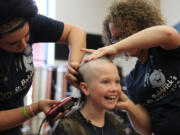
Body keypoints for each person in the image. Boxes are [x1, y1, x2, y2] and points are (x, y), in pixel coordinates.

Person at [81, 0, 180, 135]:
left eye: (123, 34)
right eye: (115, 38)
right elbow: (146, 129)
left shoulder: (166, 49)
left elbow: (167, 33)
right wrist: (126, 103)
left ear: (140, 27)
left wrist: (114, 47)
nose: (120, 42)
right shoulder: (133, 79)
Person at [0, 0, 86, 134]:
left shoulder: (28, 20)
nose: (23, 46)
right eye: (13, 43)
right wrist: (35, 108)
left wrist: (73, 64)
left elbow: (76, 32)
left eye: (27, 35)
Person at [52, 57, 127, 135]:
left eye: (117, 82)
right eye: (105, 82)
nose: (114, 88)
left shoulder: (116, 125)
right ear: (85, 88)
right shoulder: (67, 128)